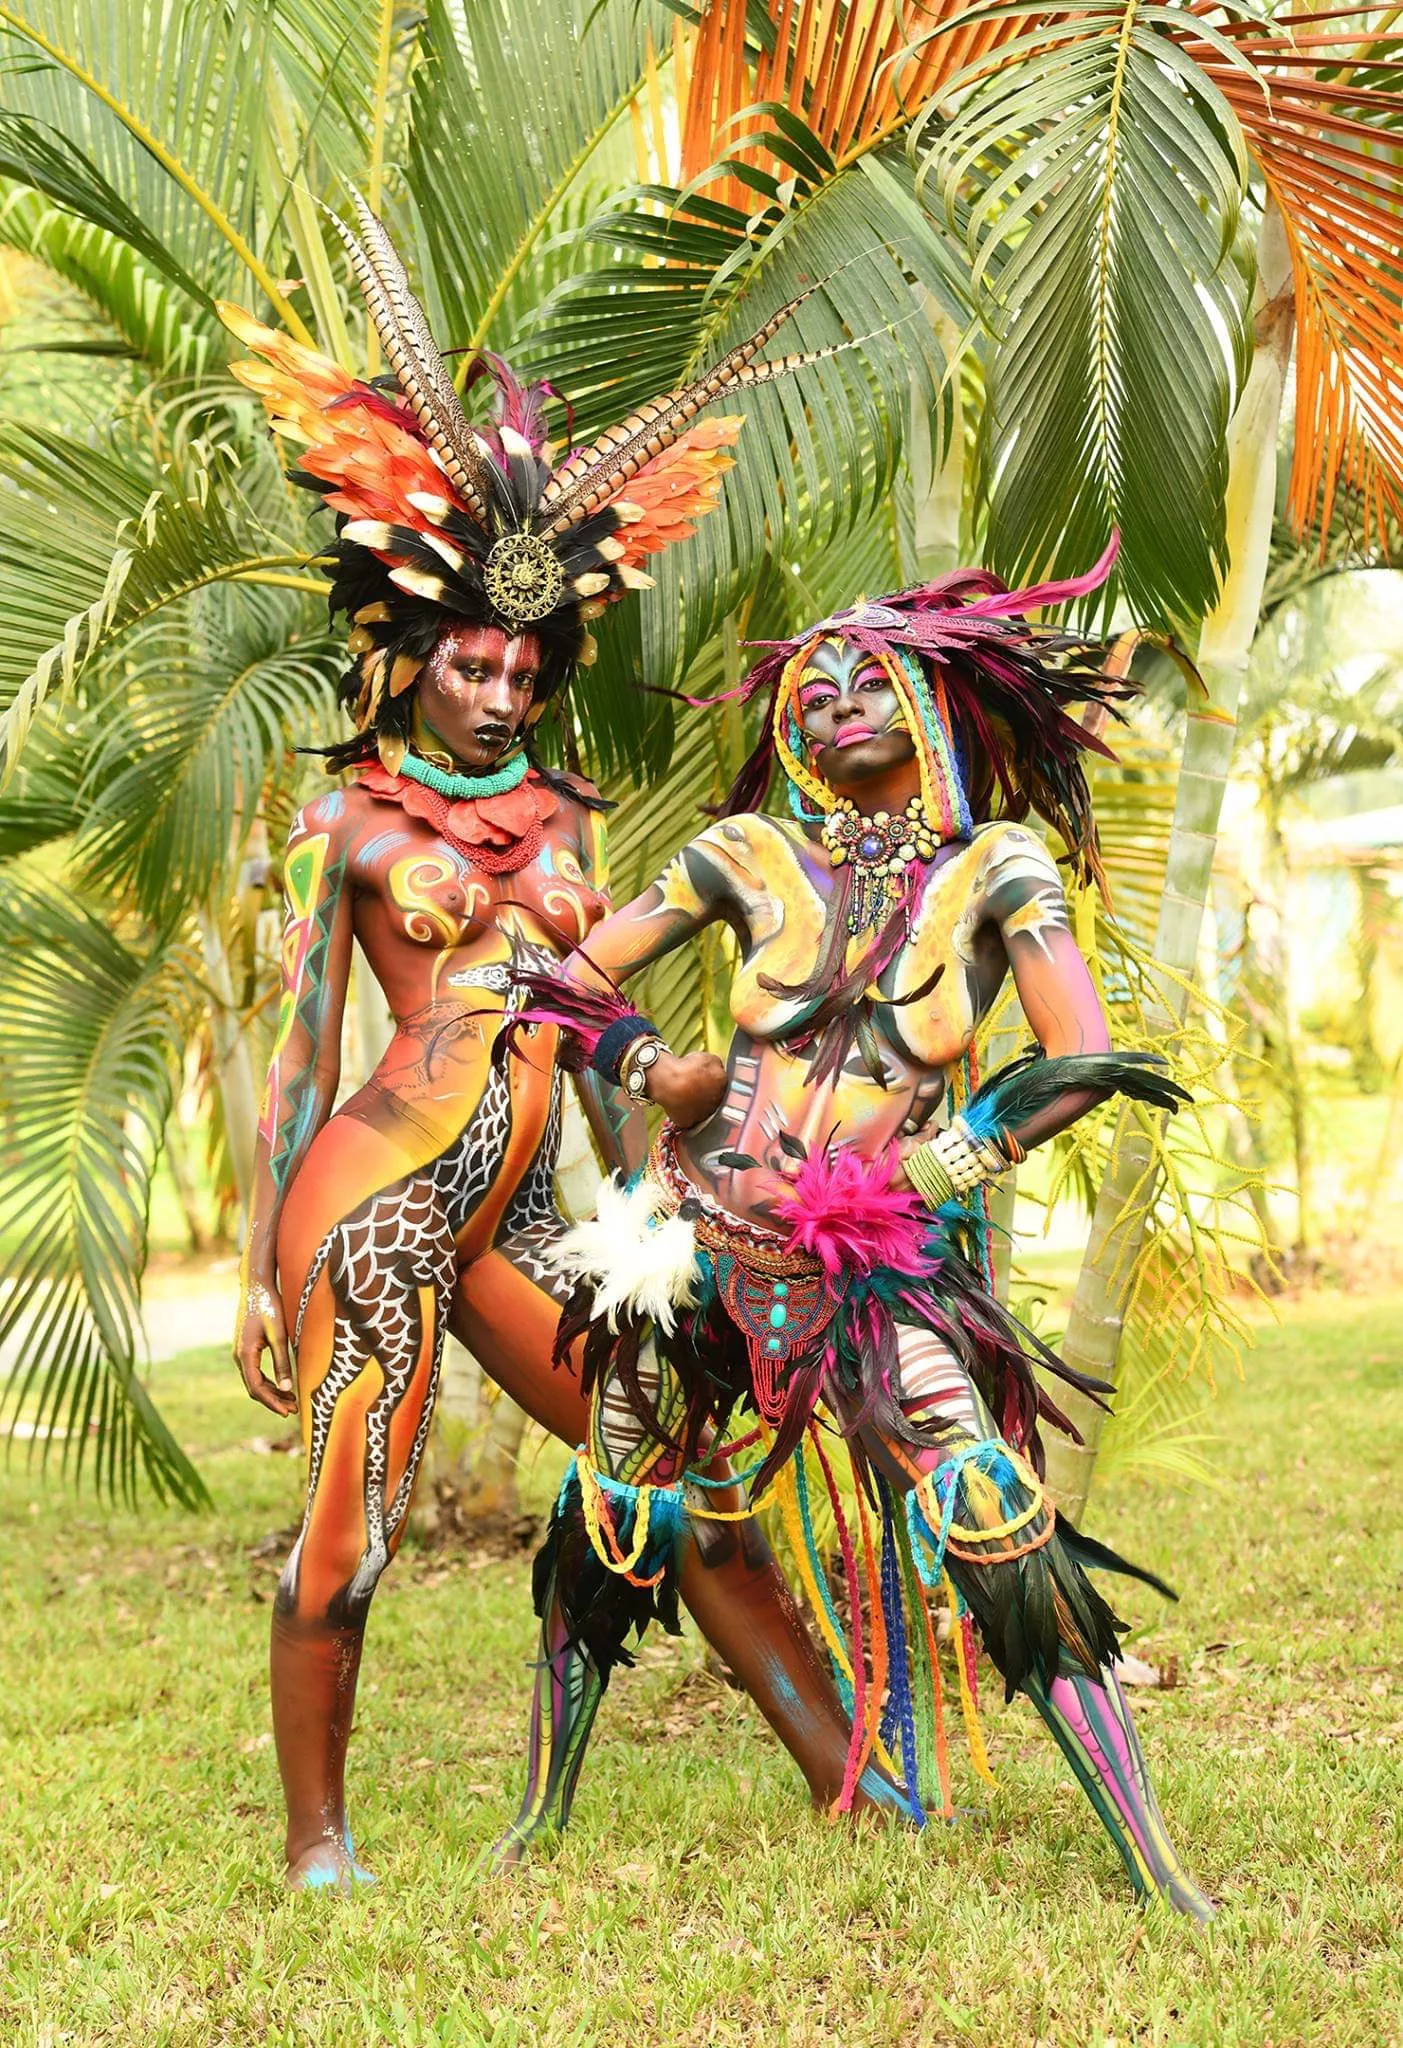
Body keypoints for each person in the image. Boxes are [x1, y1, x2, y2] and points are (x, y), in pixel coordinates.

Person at [224, 197, 889, 1890]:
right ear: (414, 653)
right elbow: (303, 1053)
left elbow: (600, 1031)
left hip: (526, 1206)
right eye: (471, 659)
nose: (501, 688)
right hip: (371, 1194)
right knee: (351, 1526)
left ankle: (847, 1772)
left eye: (525, 662)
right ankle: (318, 1841)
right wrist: (251, 1261)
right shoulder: (349, 818)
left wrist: (672, 1102)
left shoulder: (567, 814)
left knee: (664, 1469)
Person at [501, 549, 1216, 1918]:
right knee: (610, 1498)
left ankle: (1148, 1858)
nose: (834, 703)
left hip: (875, 1262)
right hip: (700, 1241)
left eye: (865, 678)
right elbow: (567, 978)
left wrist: (949, 1160)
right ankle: (542, 1808)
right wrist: (658, 1070)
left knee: (987, 1508)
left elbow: (1082, 1057)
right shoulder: (748, 854)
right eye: (811, 689)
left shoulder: (995, 867)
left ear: (931, 700)